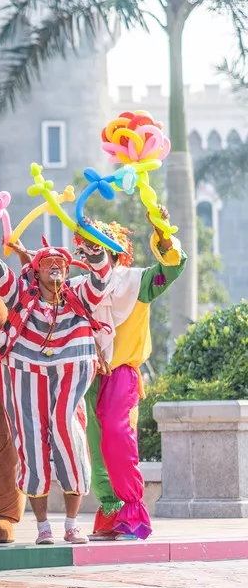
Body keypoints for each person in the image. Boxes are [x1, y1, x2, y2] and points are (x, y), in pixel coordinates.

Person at [0, 234, 111, 546]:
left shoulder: (78, 293)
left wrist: (95, 250)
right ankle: (43, 528)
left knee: (69, 433)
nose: (55, 267)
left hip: (71, 369)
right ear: (36, 270)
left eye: (60, 263)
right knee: (32, 442)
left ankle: (72, 525)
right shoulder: (21, 293)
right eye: (48, 262)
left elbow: (101, 279)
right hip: (25, 369)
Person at [73, 213, 184, 541]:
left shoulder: (138, 282)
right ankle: (111, 512)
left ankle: (133, 514)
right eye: (85, 247)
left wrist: (163, 233)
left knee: (116, 433)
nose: (90, 254)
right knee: (95, 445)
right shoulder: (78, 288)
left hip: (122, 373)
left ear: (113, 251)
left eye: (97, 247)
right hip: (90, 375)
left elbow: (171, 268)